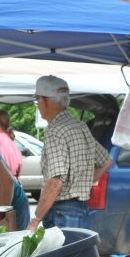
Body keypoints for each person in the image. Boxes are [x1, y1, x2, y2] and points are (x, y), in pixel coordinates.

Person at [28, 75, 112, 231]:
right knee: (76, 255)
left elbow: (55, 181)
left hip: (61, 213)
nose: (38, 105)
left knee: (62, 256)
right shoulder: (80, 126)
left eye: (37, 100)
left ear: (46, 101)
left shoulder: (55, 131)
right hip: (81, 210)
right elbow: (107, 161)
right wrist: (84, 180)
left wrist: (35, 220)